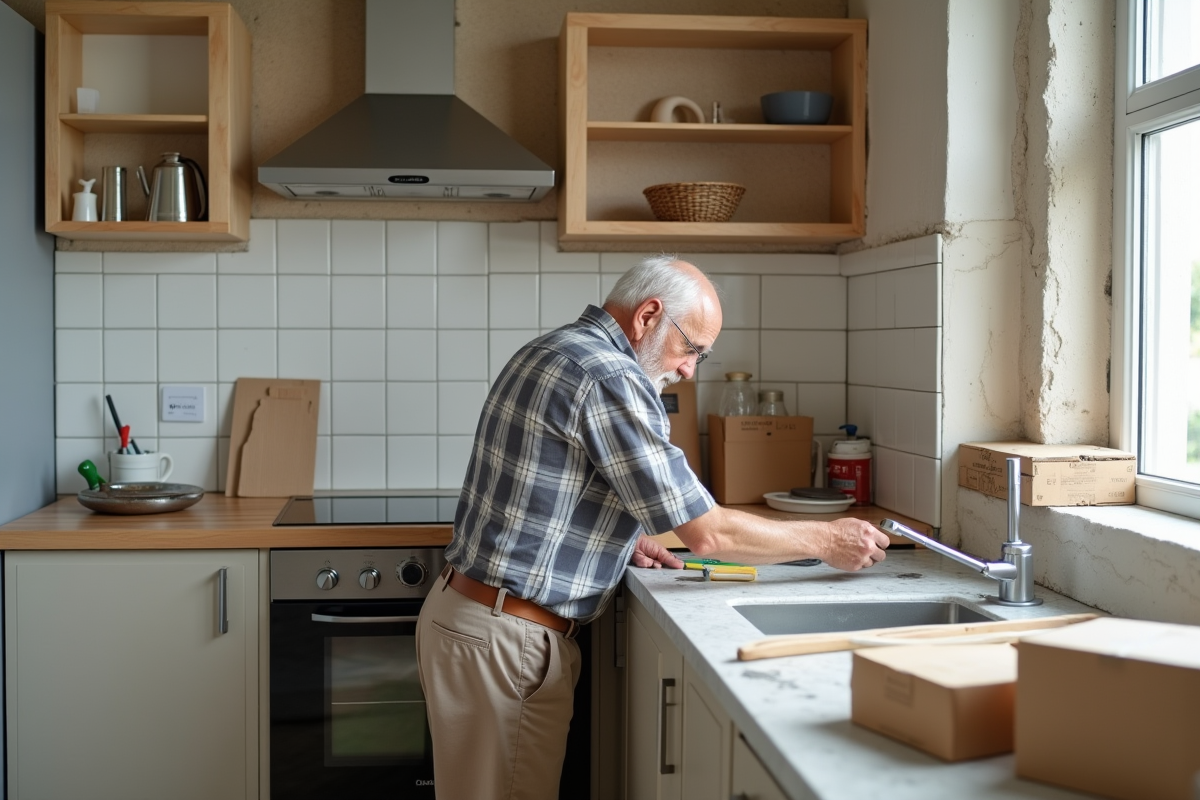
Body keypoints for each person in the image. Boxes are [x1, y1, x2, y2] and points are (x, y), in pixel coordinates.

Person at [414, 254, 889, 800]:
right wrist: (829, 539)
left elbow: (546, 482)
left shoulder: (555, 348)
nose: (690, 370)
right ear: (647, 316)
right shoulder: (610, 374)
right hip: (507, 640)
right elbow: (710, 534)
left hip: (473, 622)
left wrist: (616, 537)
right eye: (691, 348)